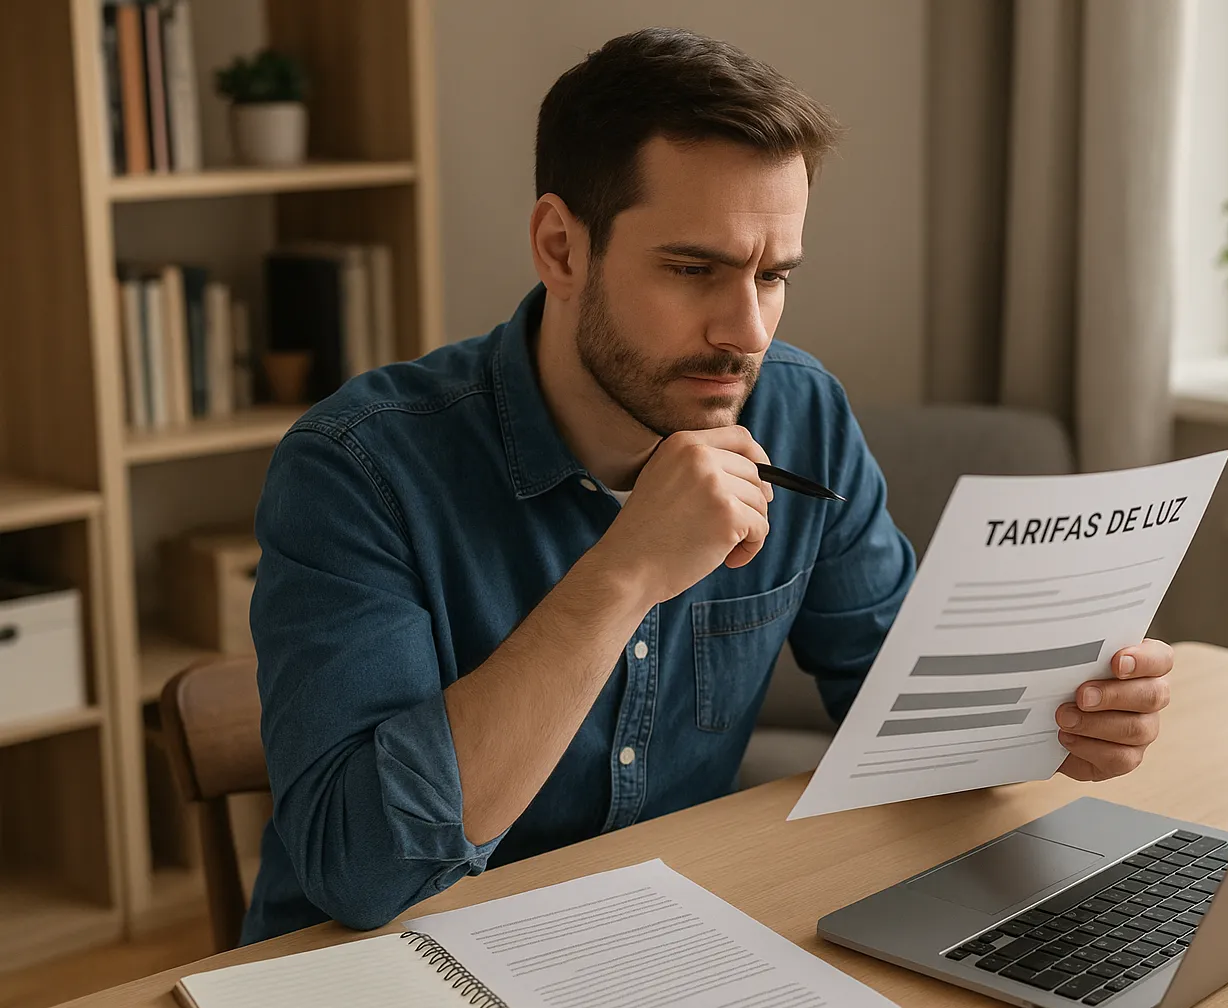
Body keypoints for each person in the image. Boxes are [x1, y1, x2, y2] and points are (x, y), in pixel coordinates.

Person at [244, 27, 1174, 944]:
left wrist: (1058, 721)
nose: (748, 331)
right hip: (384, 968)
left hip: (659, 946)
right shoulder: (356, 467)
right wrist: (624, 573)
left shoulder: (800, 412)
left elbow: (905, 722)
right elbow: (359, 869)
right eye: (695, 270)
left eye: (774, 276)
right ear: (562, 248)